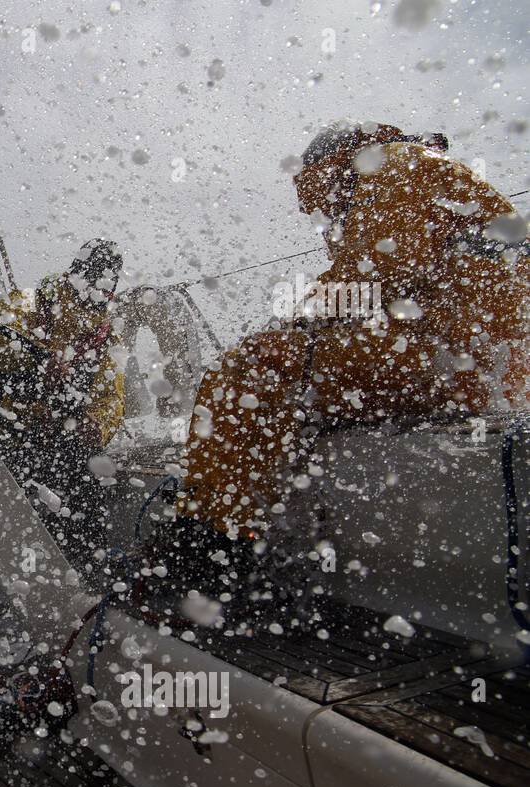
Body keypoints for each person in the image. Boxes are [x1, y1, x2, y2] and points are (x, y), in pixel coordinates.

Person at [167, 121, 530, 584]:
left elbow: (376, 269)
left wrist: (292, 325)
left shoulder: (396, 165)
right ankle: (263, 531)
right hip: (475, 366)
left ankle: (214, 548)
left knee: (248, 367)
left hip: (450, 362)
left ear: (332, 168)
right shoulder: (423, 171)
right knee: (288, 376)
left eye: (324, 202)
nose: (326, 217)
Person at [0, 239, 126, 629]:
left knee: (86, 515)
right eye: (95, 281)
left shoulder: (104, 335)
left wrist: (96, 425)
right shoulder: (31, 304)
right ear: (77, 274)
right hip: (9, 447)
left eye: (107, 285)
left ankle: (86, 603)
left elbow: (112, 397)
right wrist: (39, 361)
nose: (99, 293)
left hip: (65, 447)